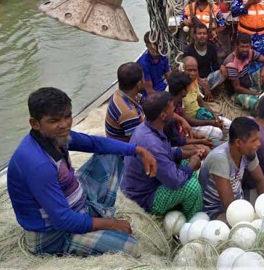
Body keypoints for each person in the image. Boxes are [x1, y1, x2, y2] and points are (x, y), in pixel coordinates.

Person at [8, 87, 157, 257]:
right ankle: (87, 226)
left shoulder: (55, 136)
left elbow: (95, 143)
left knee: (111, 155)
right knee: (131, 247)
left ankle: (91, 215)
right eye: (54, 120)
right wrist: (112, 224)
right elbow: (64, 220)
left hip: (73, 204)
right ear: (35, 124)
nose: (64, 125)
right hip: (54, 234)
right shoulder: (38, 164)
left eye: (67, 116)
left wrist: (137, 150)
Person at [121, 92, 205, 220]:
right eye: (172, 109)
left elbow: (166, 153)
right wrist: (192, 164)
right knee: (192, 187)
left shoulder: (147, 127)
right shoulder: (151, 144)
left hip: (148, 182)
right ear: (163, 116)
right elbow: (175, 181)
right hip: (145, 197)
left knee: (187, 167)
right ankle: (194, 223)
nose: (174, 112)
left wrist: (189, 152)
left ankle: (184, 206)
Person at [198, 117, 264, 220]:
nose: (258, 144)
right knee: (239, 225)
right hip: (218, 211)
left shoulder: (248, 153)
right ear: (238, 143)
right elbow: (230, 207)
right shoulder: (220, 159)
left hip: (240, 200)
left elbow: (260, 181)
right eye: (254, 140)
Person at [169, 70, 225, 147]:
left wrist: (197, 137)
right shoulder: (169, 114)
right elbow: (177, 140)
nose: (190, 88)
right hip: (180, 143)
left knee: (218, 142)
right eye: (188, 87)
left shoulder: (178, 101)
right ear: (183, 91)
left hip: (186, 135)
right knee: (212, 144)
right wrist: (200, 141)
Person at [222, 33, 264, 109]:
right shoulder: (231, 63)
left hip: (248, 81)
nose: (245, 49)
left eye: (247, 47)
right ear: (237, 46)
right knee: (258, 103)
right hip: (237, 93)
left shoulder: (250, 52)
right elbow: (237, 88)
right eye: (242, 47)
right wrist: (256, 94)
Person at [182, 56, 232, 127]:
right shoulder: (178, 88)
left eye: (195, 70)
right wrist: (211, 122)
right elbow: (186, 118)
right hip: (191, 124)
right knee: (218, 133)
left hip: (200, 115)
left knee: (230, 124)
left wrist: (214, 115)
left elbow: (201, 102)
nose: (193, 73)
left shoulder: (194, 82)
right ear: (182, 69)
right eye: (189, 70)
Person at [183, 22, 224, 95]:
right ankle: (203, 92)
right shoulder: (188, 50)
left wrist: (222, 67)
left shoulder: (211, 48)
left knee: (224, 71)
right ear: (194, 36)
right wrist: (201, 83)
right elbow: (187, 72)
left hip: (208, 79)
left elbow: (216, 66)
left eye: (204, 33)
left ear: (207, 35)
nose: (202, 36)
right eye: (199, 33)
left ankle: (207, 91)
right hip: (195, 80)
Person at [138, 31, 171, 99]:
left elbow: (170, 78)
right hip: (150, 97)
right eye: (153, 47)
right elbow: (150, 92)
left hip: (163, 88)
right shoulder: (144, 63)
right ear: (147, 46)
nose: (156, 49)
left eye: (158, 46)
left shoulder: (163, 57)